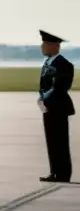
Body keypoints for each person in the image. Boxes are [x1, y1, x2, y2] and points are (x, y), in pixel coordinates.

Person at [38, 30, 73, 182]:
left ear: (55, 46)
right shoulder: (48, 63)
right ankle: (55, 172)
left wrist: (44, 98)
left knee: (60, 142)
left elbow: (61, 87)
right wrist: (41, 99)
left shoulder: (64, 65)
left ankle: (63, 174)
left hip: (58, 107)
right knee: (51, 141)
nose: (42, 47)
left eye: (45, 44)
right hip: (48, 107)